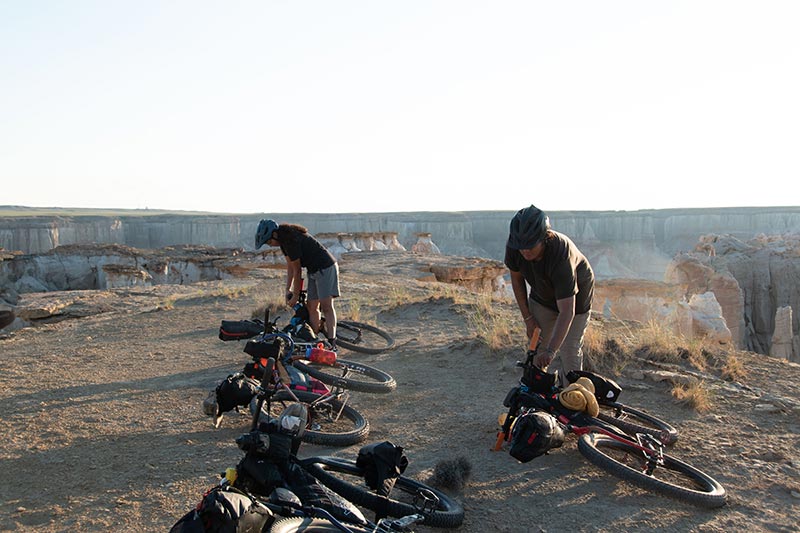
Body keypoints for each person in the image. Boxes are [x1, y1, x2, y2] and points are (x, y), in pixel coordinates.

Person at [504, 205, 594, 387]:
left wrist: (552, 351)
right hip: (542, 296)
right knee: (537, 347)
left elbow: (567, 311)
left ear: (544, 238)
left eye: (530, 245)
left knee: (570, 350)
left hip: (576, 299)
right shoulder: (516, 246)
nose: (525, 251)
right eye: (521, 246)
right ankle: (537, 397)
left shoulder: (560, 254)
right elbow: (516, 279)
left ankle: (573, 399)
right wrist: (528, 319)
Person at [255, 219, 340, 349]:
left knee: (326, 306)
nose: (269, 244)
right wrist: (287, 289)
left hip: (325, 267)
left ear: (274, 235)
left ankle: (332, 341)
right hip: (313, 270)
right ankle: (314, 339)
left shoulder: (291, 240)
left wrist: (295, 295)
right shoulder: (283, 242)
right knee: (312, 307)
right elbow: (290, 267)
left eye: (268, 241)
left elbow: (297, 270)